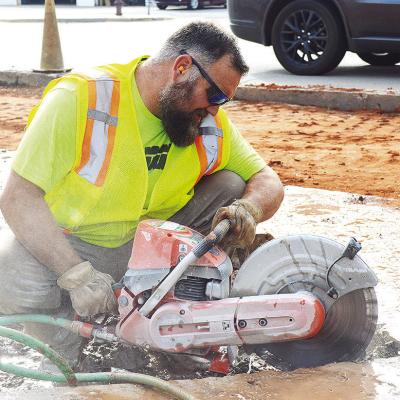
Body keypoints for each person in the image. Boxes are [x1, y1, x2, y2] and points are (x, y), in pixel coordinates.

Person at [0, 22, 284, 369]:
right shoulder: (82, 100)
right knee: (11, 272)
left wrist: (250, 208)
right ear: (181, 69)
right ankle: (64, 355)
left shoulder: (205, 123)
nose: (215, 110)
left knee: (230, 186)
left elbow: (266, 179)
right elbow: (18, 198)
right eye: (215, 96)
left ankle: (183, 304)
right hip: (75, 244)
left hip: (149, 244)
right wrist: (75, 274)